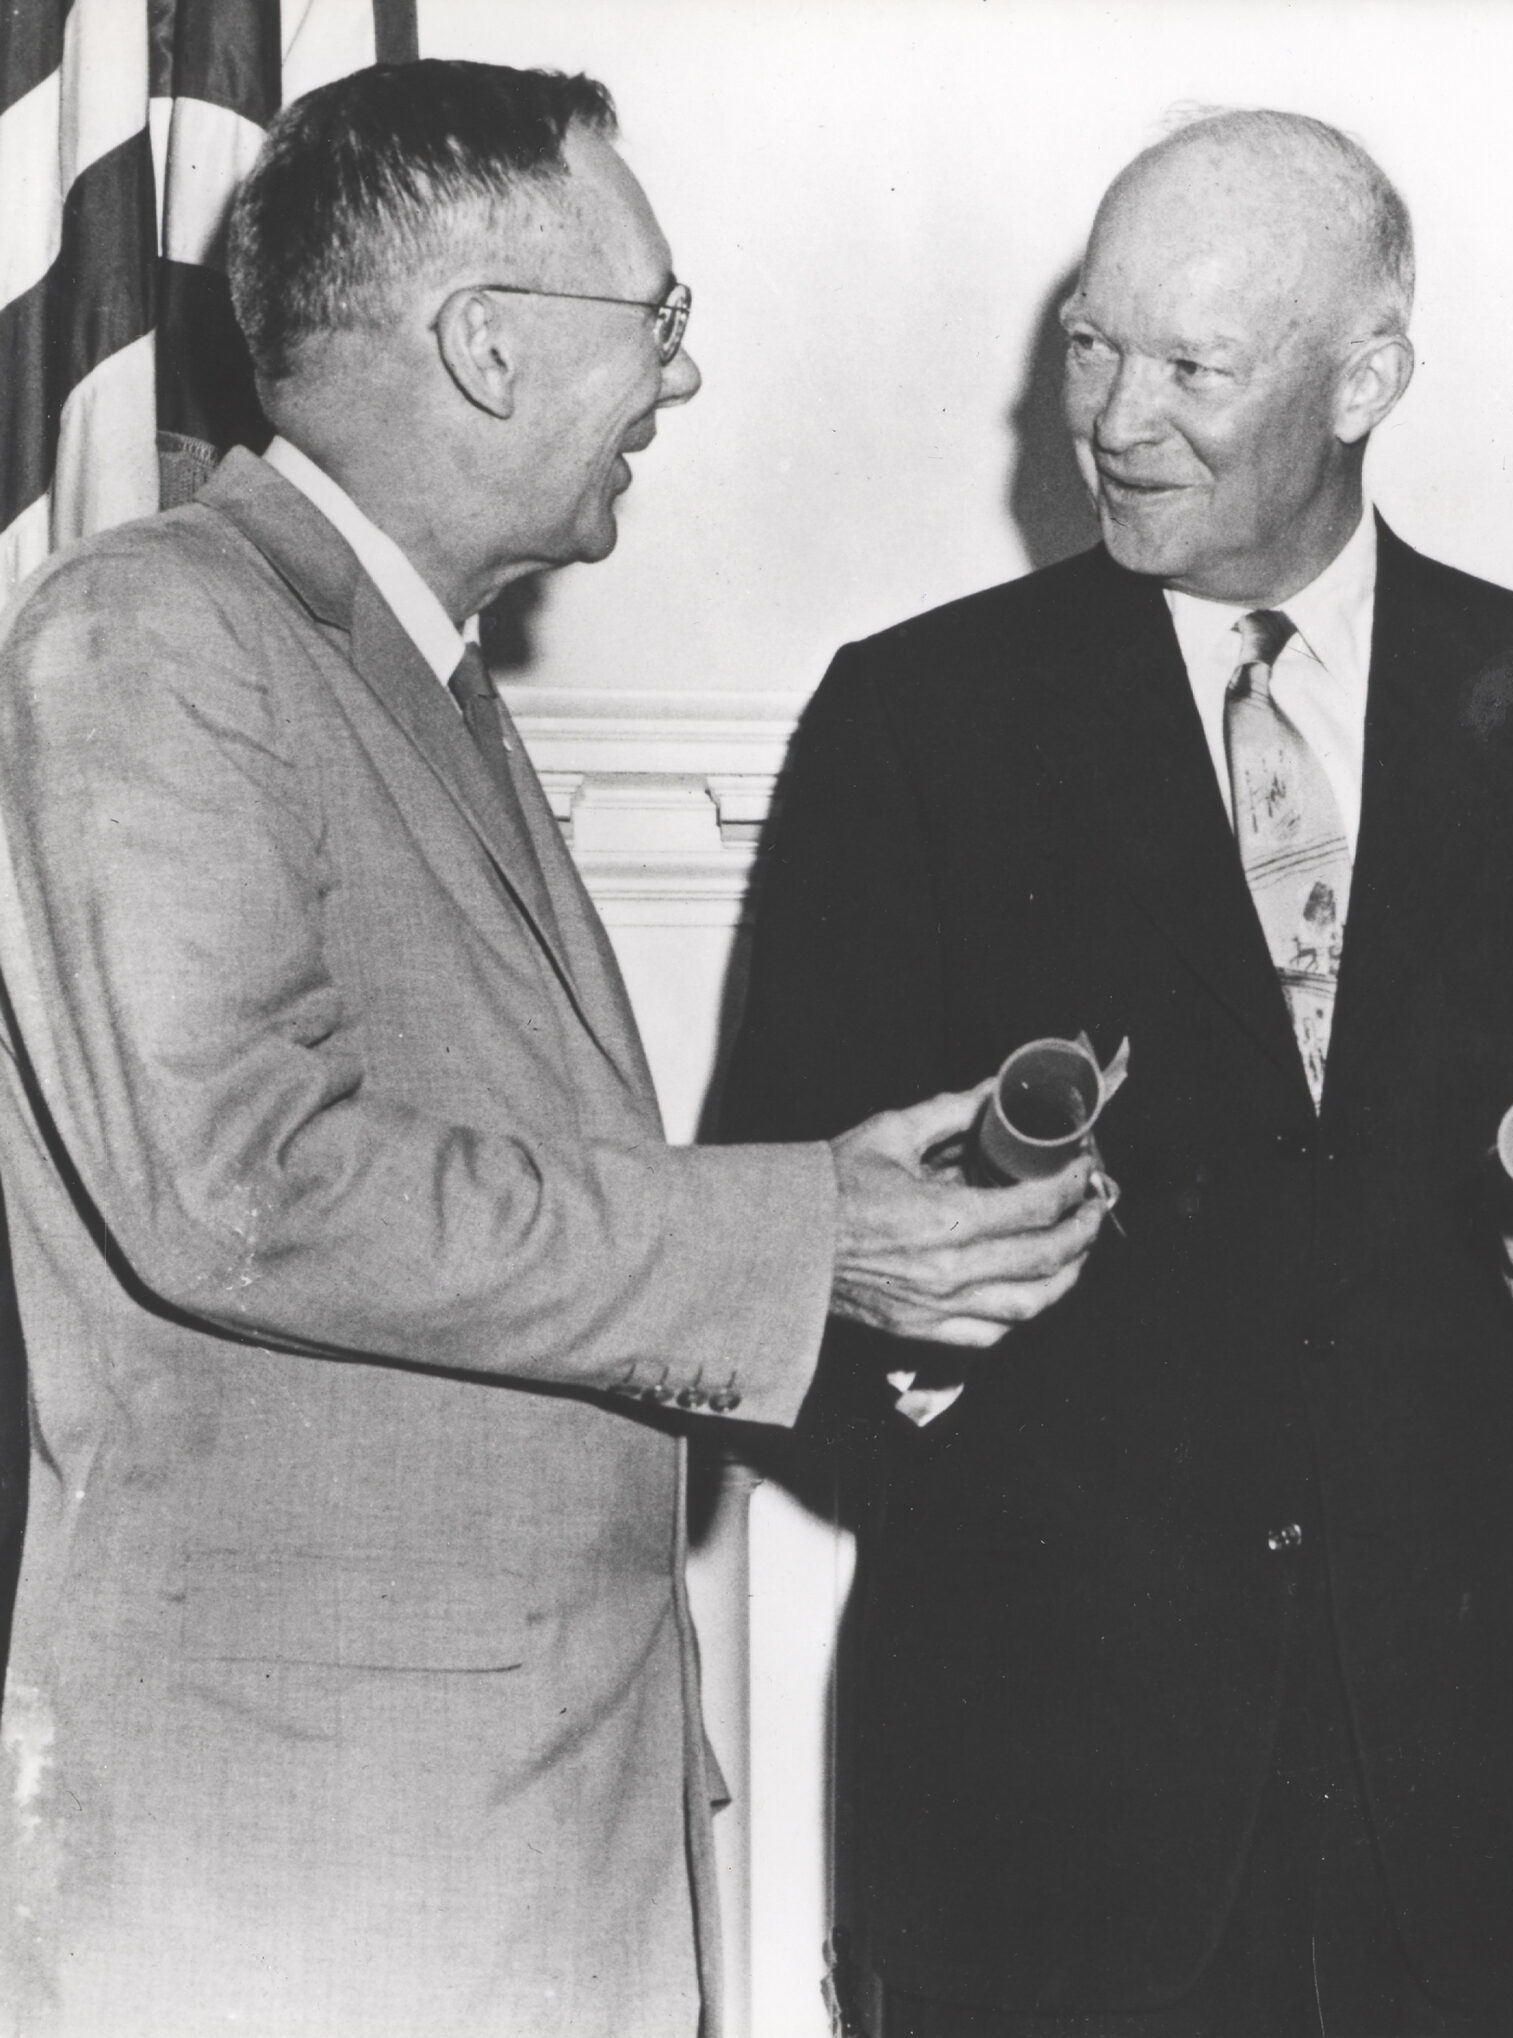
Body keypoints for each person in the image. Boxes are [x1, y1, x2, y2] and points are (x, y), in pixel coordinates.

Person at [0, 60, 1101, 2038]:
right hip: (310, 1875)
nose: (677, 380)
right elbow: (242, 1181)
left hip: (507, 1847)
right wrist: (797, 1238)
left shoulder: (414, 680)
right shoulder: (159, 634)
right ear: (486, 344)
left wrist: (854, 1240)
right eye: (655, 319)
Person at [721, 108, 1513, 2038]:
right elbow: (769, 1224)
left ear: (1368, 375)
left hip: (1459, 1806)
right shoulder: (916, 717)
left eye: (1194, 368)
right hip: (1040, 1809)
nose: (1114, 415)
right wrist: (927, 1321)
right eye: (1090, 342)